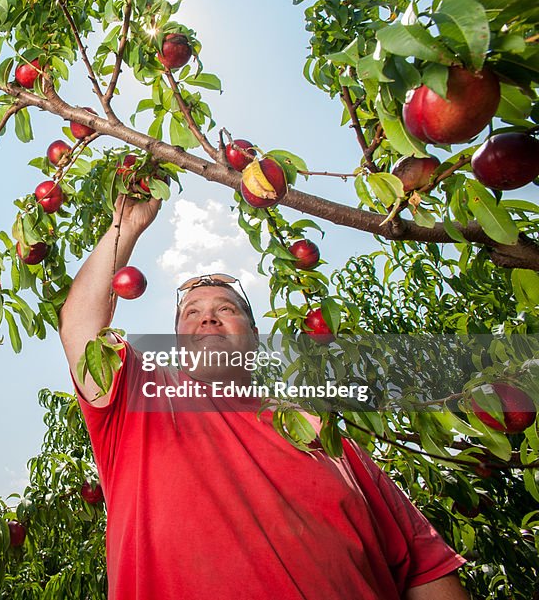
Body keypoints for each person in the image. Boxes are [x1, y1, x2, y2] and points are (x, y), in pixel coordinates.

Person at [59, 194, 469, 600]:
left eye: (226, 308)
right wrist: (124, 227)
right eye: (191, 312)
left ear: (254, 339)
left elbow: (425, 569)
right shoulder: (143, 398)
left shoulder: (328, 438)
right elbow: (80, 328)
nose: (208, 316)